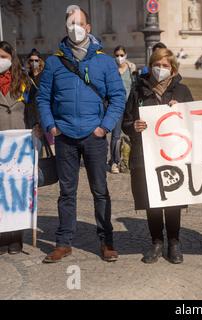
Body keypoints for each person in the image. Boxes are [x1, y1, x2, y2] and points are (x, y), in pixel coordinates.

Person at [37, 6, 126, 263]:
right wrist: (51, 125)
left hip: (94, 136)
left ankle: (106, 241)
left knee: (100, 191)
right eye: (71, 23)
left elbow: (118, 97)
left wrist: (104, 127)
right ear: (66, 27)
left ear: (88, 27)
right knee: (67, 192)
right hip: (65, 136)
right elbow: (43, 98)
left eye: (80, 23)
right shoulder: (53, 62)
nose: (76, 27)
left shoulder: (105, 62)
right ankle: (64, 242)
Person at [122, 48, 194, 264]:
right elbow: (126, 122)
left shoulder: (182, 91)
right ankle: (156, 242)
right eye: (157, 64)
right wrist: (133, 126)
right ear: (150, 65)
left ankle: (174, 242)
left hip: (173, 156)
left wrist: (182, 111)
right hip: (146, 156)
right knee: (151, 200)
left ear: (172, 68)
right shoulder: (137, 91)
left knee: (172, 199)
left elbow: (194, 121)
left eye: (165, 66)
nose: (160, 69)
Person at [0, 41, 30, 256]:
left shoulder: (23, 82)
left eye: (3, 56)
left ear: (11, 59)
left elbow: (32, 110)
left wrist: (36, 130)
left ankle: (16, 238)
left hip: (19, 145)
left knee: (16, 191)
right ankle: (2, 236)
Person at [110, 45, 136, 174]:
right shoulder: (111, 69)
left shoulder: (131, 69)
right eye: (117, 55)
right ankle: (115, 161)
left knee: (131, 133)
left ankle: (127, 160)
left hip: (130, 106)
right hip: (116, 106)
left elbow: (135, 85)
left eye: (121, 55)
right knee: (115, 135)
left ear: (125, 55)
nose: (119, 58)